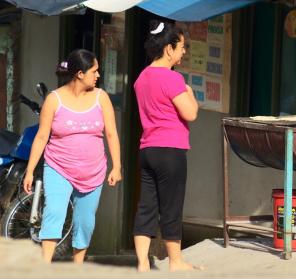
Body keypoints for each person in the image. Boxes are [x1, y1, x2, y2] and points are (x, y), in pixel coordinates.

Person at [23, 49, 122, 263]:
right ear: (79, 73)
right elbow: (41, 137)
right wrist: (30, 170)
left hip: (93, 171)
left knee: (85, 222)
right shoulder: (54, 99)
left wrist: (117, 166)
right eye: (94, 71)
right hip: (59, 167)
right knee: (54, 213)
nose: (98, 75)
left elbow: (112, 133)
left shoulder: (101, 98)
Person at [133, 21, 199, 272]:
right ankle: (175, 262)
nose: (184, 52)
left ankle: (142, 263)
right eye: (182, 47)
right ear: (169, 49)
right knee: (171, 206)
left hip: (147, 149)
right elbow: (190, 113)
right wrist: (189, 91)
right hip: (170, 150)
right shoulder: (173, 78)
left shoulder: (141, 78)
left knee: (146, 206)